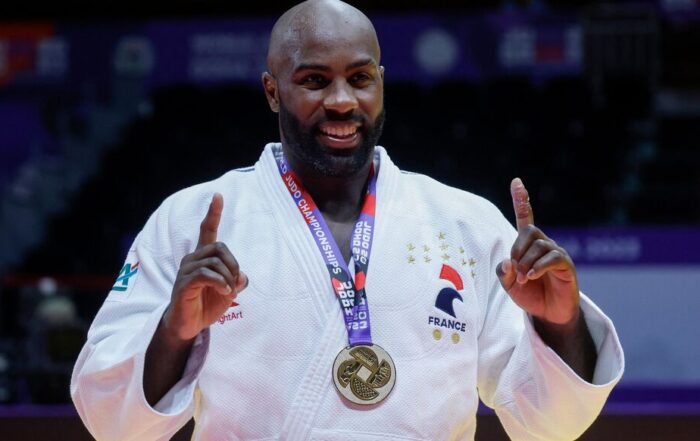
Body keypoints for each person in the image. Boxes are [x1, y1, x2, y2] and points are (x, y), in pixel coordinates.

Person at [71, 1, 624, 440]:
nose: (341, 101)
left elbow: (553, 425)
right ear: (272, 91)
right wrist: (175, 333)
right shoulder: (192, 221)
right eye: (314, 80)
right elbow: (109, 422)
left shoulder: (465, 225)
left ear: (381, 82)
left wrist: (560, 326)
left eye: (360, 78)